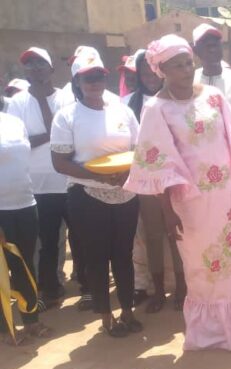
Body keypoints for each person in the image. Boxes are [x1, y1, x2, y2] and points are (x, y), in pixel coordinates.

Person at [125, 34, 231, 350]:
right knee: (207, 268)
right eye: (176, 66)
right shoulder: (156, 109)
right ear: (161, 70)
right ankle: (219, 330)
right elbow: (158, 164)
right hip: (193, 205)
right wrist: (168, 211)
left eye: (188, 62)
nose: (186, 70)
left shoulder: (214, 96)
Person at [49, 49, 142, 337]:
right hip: (88, 196)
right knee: (97, 256)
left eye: (99, 76)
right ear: (77, 81)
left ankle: (127, 309)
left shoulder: (122, 111)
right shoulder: (67, 117)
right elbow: (60, 162)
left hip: (125, 193)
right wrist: (98, 175)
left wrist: (126, 175)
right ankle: (105, 314)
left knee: (123, 255)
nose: (94, 82)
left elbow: (139, 151)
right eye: (87, 78)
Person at [7, 47, 82, 308]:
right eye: (30, 65)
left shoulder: (67, 98)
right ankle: (51, 289)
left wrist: (43, 128)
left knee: (80, 237)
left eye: (40, 63)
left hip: (70, 179)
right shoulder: (16, 103)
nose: (35, 68)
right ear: (25, 72)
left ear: (51, 69)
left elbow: (71, 136)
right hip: (38, 186)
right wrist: (51, 132)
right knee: (48, 241)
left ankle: (87, 287)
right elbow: (20, 142)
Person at [124, 50, 187, 314]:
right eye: (144, 72)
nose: (150, 77)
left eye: (153, 72)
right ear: (138, 74)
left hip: (176, 179)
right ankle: (158, 290)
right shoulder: (129, 103)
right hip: (149, 181)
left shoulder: (176, 100)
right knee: (153, 235)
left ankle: (183, 289)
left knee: (177, 234)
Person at [0, 111, 51, 345]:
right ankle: (5, 329)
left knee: (25, 265)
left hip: (26, 205)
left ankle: (31, 320)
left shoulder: (14, 121)